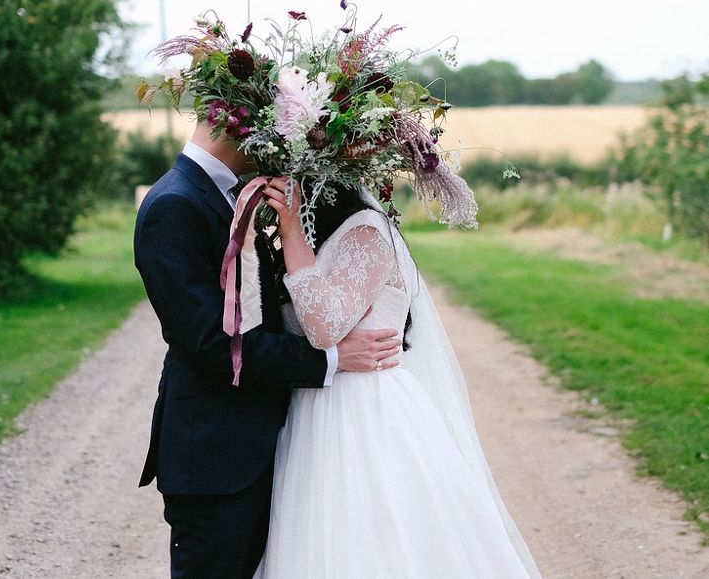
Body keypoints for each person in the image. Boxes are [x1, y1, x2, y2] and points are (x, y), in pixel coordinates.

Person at [133, 121, 402, 579]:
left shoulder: (226, 194)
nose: (278, 145)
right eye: (270, 128)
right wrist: (332, 358)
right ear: (231, 121)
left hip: (268, 444)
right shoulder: (174, 203)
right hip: (216, 456)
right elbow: (214, 345)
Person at [254, 177, 543, 578]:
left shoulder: (366, 231)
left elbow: (323, 326)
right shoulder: (316, 234)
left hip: (366, 412)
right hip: (315, 410)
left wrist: (291, 231)